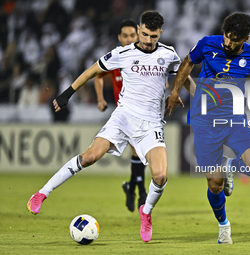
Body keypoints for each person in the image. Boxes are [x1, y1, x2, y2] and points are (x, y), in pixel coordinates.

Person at [27, 11, 189, 243]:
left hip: (151, 123)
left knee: (161, 176)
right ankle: (42, 193)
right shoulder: (123, 53)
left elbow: (183, 74)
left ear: (159, 34)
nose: (147, 40)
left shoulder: (168, 54)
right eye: (143, 34)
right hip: (123, 117)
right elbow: (93, 71)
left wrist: (182, 93)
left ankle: (146, 212)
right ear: (139, 29)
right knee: (89, 157)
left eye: (152, 36)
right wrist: (67, 94)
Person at [166, 12, 250, 244]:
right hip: (204, 120)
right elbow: (187, 63)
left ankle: (230, 163)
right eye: (226, 37)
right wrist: (174, 91)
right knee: (214, 183)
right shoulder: (208, 44)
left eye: (234, 40)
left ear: (246, 38)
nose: (228, 43)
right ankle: (223, 226)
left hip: (234, 119)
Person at [93, 19, 147, 213]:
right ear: (119, 37)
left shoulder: (145, 56)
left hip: (143, 112)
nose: (129, 39)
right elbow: (98, 77)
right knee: (138, 151)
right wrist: (100, 99)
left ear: (138, 35)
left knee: (138, 152)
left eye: (132, 35)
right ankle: (141, 192)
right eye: (125, 36)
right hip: (124, 114)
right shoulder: (116, 57)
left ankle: (133, 188)